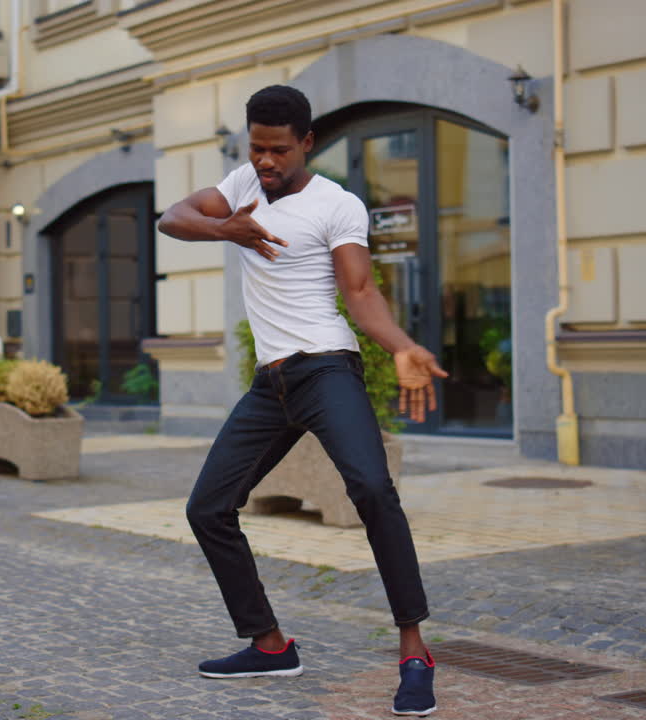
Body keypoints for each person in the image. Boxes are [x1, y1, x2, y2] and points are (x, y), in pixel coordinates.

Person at [157, 85, 448, 717]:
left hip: (326, 371)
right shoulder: (241, 186)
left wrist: (400, 346)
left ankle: (414, 652)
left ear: (307, 143)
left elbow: (361, 290)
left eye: (279, 150)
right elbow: (172, 217)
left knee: (372, 489)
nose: (266, 161)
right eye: (257, 147)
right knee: (208, 508)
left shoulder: (336, 205)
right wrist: (224, 228)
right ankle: (269, 644)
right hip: (271, 386)